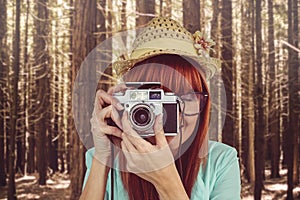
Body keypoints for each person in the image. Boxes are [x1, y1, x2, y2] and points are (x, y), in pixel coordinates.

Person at [80, 17, 241, 200]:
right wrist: (103, 159)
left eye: (187, 97)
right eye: (157, 100)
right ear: (129, 103)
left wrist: (166, 180)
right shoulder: (105, 157)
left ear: (203, 104)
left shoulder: (220, 160)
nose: (172, 114)